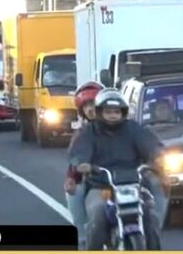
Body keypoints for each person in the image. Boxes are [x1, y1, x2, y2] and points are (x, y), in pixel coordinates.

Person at [68, 89, 166, 250]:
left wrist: (158, 156)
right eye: (108, 112)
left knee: (150, 213)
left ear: (123, 112)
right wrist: (82, 163)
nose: (113, 115)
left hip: (134, 184)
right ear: (100, 112)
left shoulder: (134, 129)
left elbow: (150, 145)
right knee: (98, 212)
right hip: (101, 186)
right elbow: (79, 152)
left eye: (116, 111)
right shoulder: (88, 132)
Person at [64, 81, 104, 250]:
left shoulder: (122, 127)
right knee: (75, 192)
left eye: (93, 104)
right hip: (98, 183)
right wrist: (72, 177)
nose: (90, 109)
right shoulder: (81, 134)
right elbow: (74, 160)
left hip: (126, 179)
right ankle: (82, 240)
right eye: (86, 106)